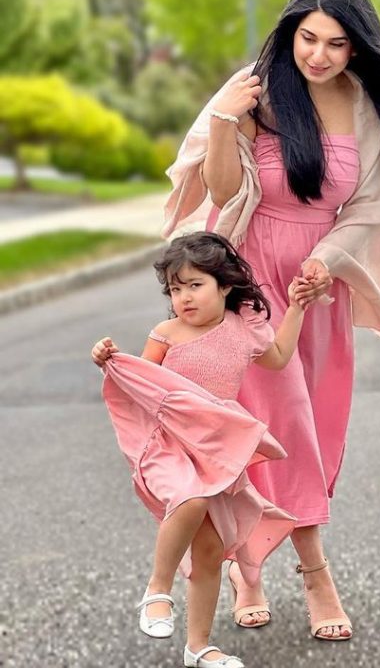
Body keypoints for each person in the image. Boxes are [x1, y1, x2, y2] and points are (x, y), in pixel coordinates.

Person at [162, 0, 380, 640]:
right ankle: (314, 574)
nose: (317, 55)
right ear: (288, 33)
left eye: (335, 43)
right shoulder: (255, 89)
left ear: (358, 49)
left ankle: (248, 565)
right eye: (307, 38)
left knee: (314, 434)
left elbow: (370, 206)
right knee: (276, 427)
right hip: (249, 280)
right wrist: (222, 119)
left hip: (315, 286)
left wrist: (328, 259)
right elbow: (225, 191)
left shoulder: (363, 107)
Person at [92, 231, 306, 668]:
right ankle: (156, 590)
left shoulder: (243, 328)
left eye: (195, 285)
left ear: (224, 284)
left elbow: (279, 355)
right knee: (189, 499)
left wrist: (298, 306)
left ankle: (198, 647)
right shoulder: (167, 332)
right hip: (169, 443)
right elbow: (138, 380)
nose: (183, 297)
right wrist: (109, 358)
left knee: (210, 550)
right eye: (175, 288)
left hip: (215, 446)